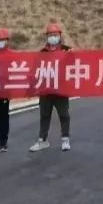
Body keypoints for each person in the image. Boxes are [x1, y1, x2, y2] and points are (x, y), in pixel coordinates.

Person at [29, 20, 72, 152]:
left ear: (60, 36)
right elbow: (36, 70)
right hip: (46, 90)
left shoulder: (67, 50)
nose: (53, 37)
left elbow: (75, 66)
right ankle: (42, 140)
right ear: (47, 37)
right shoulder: (42, 52)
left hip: (61, 90)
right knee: (44, 116)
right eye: (50, 35)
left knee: (64, 115)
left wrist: (72, 56)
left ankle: (65, 139)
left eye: (55, 35)